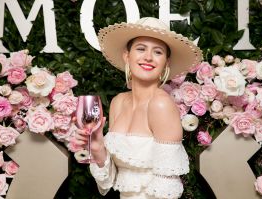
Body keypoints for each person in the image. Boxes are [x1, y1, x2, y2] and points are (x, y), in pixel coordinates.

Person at [76, 17, 202, 199]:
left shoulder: (161, 104)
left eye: (158, 52)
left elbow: (167, 190)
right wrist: (97, 148)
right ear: (127, 56)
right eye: (141, 49)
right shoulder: (118, 103)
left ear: (166, 62)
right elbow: (110, 181)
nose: (148, 57)